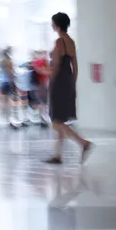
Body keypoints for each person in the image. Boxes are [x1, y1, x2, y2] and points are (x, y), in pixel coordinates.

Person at [46, 12, 93, 164]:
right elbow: (75, 65)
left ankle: (83, 143)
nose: (52, 25)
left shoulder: (60, 41)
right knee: (60, 119)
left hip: (59, 83)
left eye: (53, 23)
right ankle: (58, 155)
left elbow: (57, 65)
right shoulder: (71, 42)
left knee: (56, 122)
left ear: (57, 25)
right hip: (68, 82)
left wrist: (50, 80)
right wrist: (72, 83)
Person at [0, 47, 17, 128]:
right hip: (8, 83)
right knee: (8, 102)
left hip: (3, 83)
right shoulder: (8, 61)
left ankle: (5, 120)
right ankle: (8, 120)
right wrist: (12, 81)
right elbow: (10, 72)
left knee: (5, 102)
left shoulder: (2, 61)